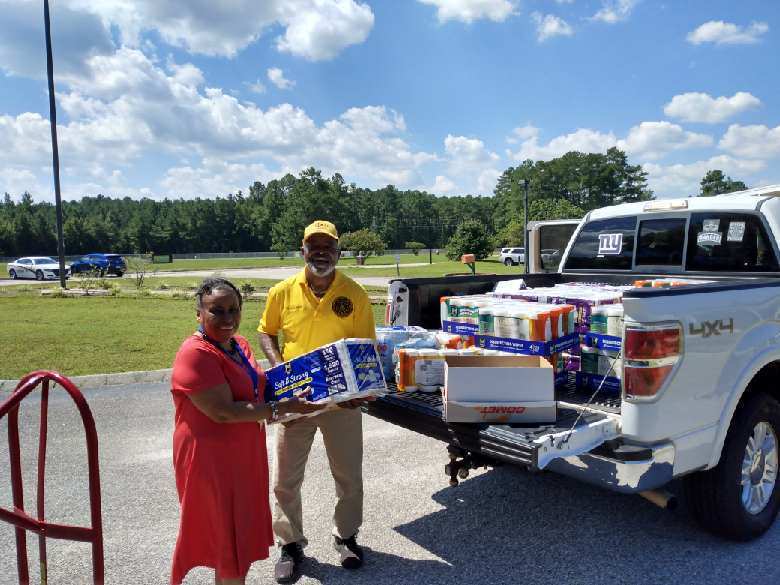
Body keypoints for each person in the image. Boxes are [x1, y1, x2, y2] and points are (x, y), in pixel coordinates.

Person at [170, 277, 324, 585]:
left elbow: (258, 389)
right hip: (210, 461)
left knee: (238, 536)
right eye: (217, 311)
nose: (228, 319)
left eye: (234, 310)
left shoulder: (238, 345)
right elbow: (223, 411)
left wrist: (303, 397)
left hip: (244, 456)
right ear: (199, 313)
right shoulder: (196, 353)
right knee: (225, 541)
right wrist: (281, 410)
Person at [257, 220, 377, 583]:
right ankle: (290, 545)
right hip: (296, 401)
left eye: (329, 246)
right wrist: (280, 373)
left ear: (338, 252)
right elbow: (266, 331)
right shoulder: (282, 291)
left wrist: (360, 390)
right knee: (285, 480)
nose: (321, 252)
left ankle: (346, 537)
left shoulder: (354, 293)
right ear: (303, 250)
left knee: (348, 475)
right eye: (315, 245)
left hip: (341, 402)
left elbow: (364, 348)